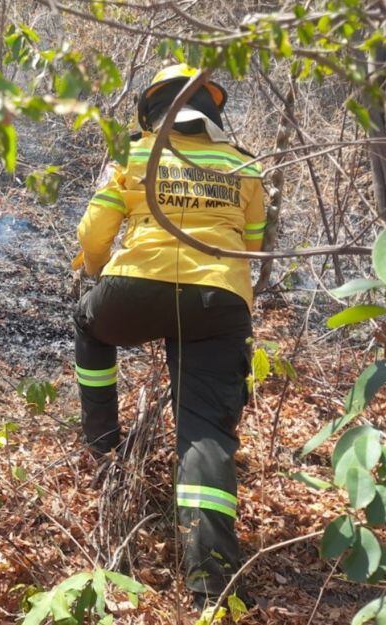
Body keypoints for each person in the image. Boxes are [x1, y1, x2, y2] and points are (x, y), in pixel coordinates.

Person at [71, 63, 267, 610]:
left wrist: (92, 272)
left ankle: (103, 447)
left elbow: (93, 234)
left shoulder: (135, 155)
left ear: (152, 109)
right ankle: (213, 583)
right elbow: (254, 245)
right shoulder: (243, 163)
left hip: (134, 290)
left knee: (89, 323)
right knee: (204, 430)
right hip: (218, 301)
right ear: (213, 109)